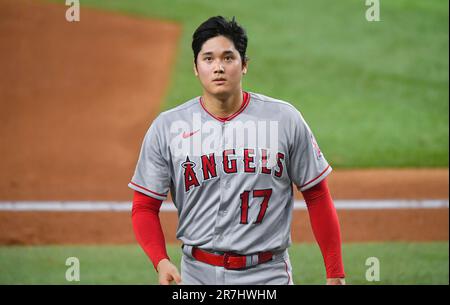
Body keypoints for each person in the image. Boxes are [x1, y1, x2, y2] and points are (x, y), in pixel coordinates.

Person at [129, 16, 345, 285]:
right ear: (195, 67)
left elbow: (317, 195)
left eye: (228, 58)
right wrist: (160, 261)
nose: (218, 67)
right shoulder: (168, 127)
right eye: (208, 59)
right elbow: (144, 207)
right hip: (196, 275)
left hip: (268, 276)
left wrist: (335, 272)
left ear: (244, 65)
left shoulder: (283, 119)